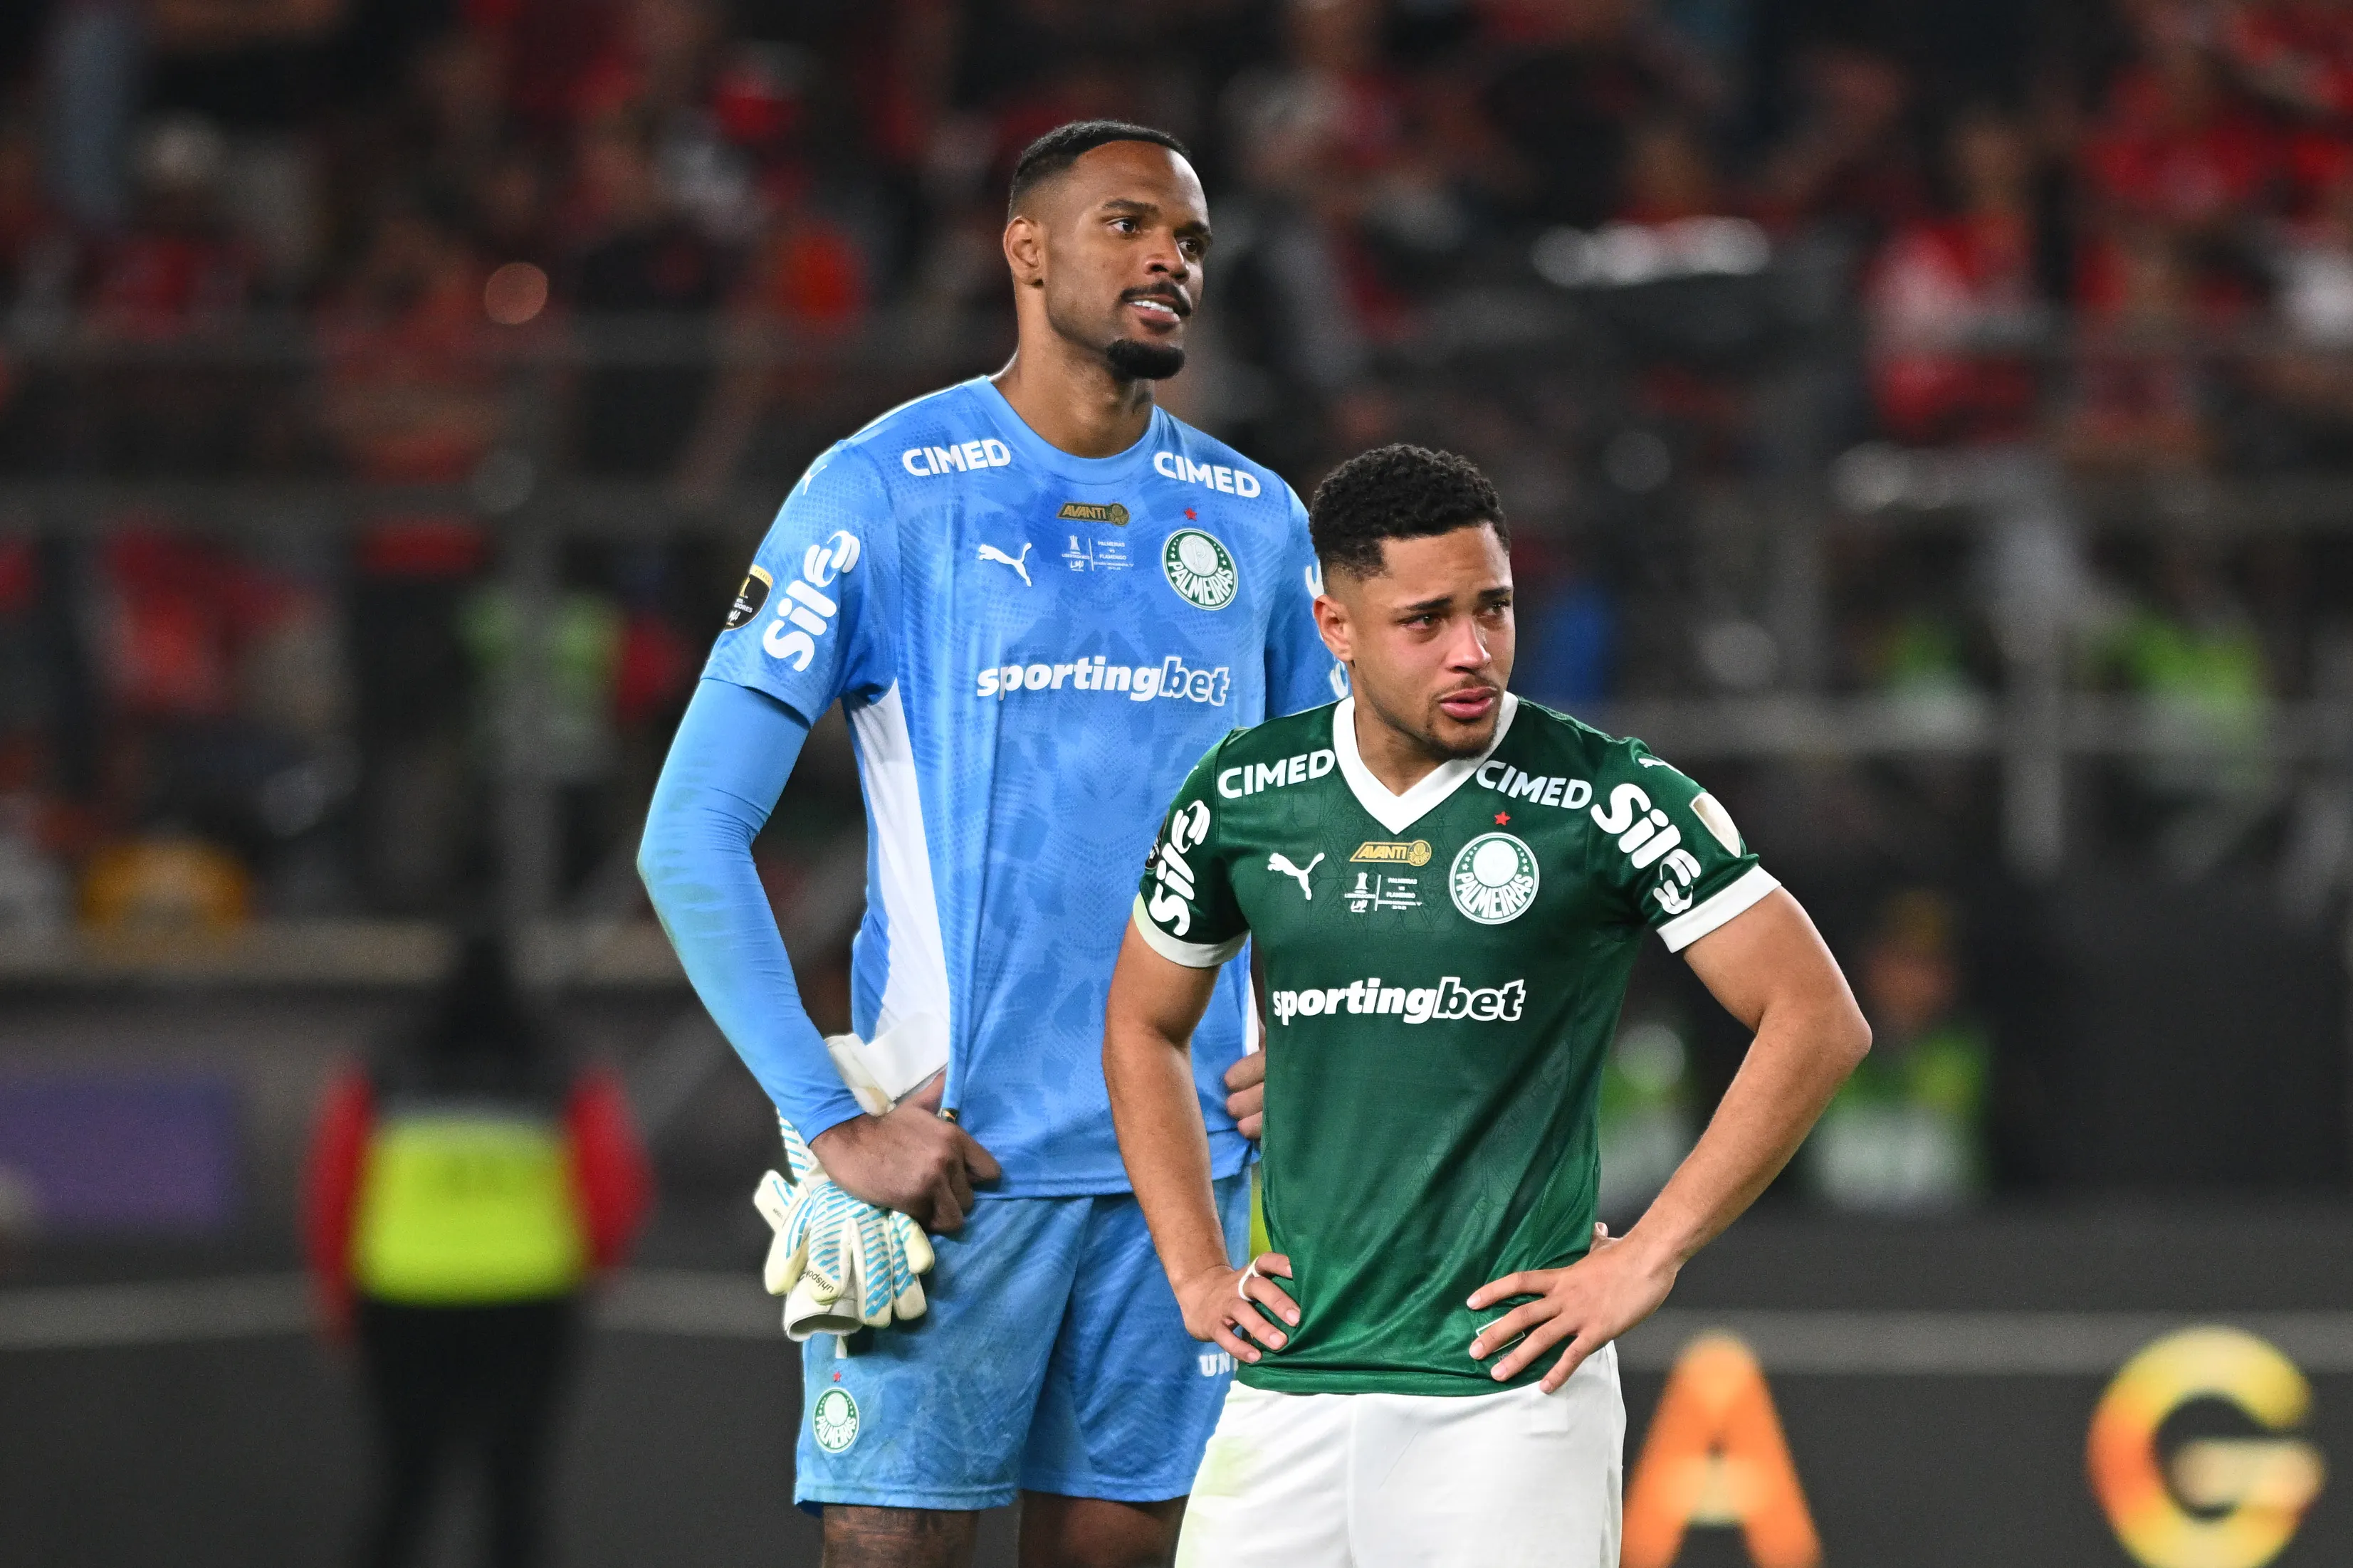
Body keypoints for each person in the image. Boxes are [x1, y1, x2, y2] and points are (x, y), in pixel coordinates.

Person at [636, 120, 1338, 1567]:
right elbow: (689, 832)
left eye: (1191, 241)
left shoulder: (1256, 524)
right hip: (959, 1165)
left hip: (1187, 1186)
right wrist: (830, 1119)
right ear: (1023, 249)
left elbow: (1314, 835)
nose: (1168, 259)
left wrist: (1312, 1023)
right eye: (1128, 224)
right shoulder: (882, 490)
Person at [1104, 443, 1870, 1566]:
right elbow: (1141, 1022)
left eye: (1494, 608)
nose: (1473, 653)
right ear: (1336, 626)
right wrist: (1192, 1268)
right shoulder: (1243, 794)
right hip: (1284, 1388)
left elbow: (1815, 1016)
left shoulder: (1604, 793)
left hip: (1507, 1399)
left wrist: (1648, 1252)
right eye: (1426, 620)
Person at [304, 935, 651, 1568]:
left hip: (403, 1298)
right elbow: (612, 1182)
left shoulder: (384, 1067)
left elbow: (334, 1187)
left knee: (405, 1488)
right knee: (515, 1495)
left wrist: (336, 1299)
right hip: (528, 1301)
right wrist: (597, 1266)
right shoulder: (561, 1066)